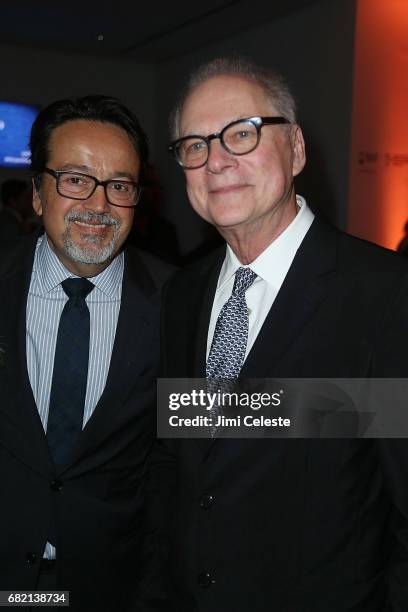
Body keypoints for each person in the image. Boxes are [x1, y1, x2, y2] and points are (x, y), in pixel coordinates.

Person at [155, 57, 408, 611]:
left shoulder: (384, 296)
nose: (216, 161)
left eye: (241, 134)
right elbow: (184, 464)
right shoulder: (181, 296)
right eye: (194, 146)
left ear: (295, 147)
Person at [0, 95, 173, 611]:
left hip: (112, 589)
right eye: (75, 180)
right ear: (37, 194)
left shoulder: (178, 305)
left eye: (119, 186)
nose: (99, 206)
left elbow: (192, 457)